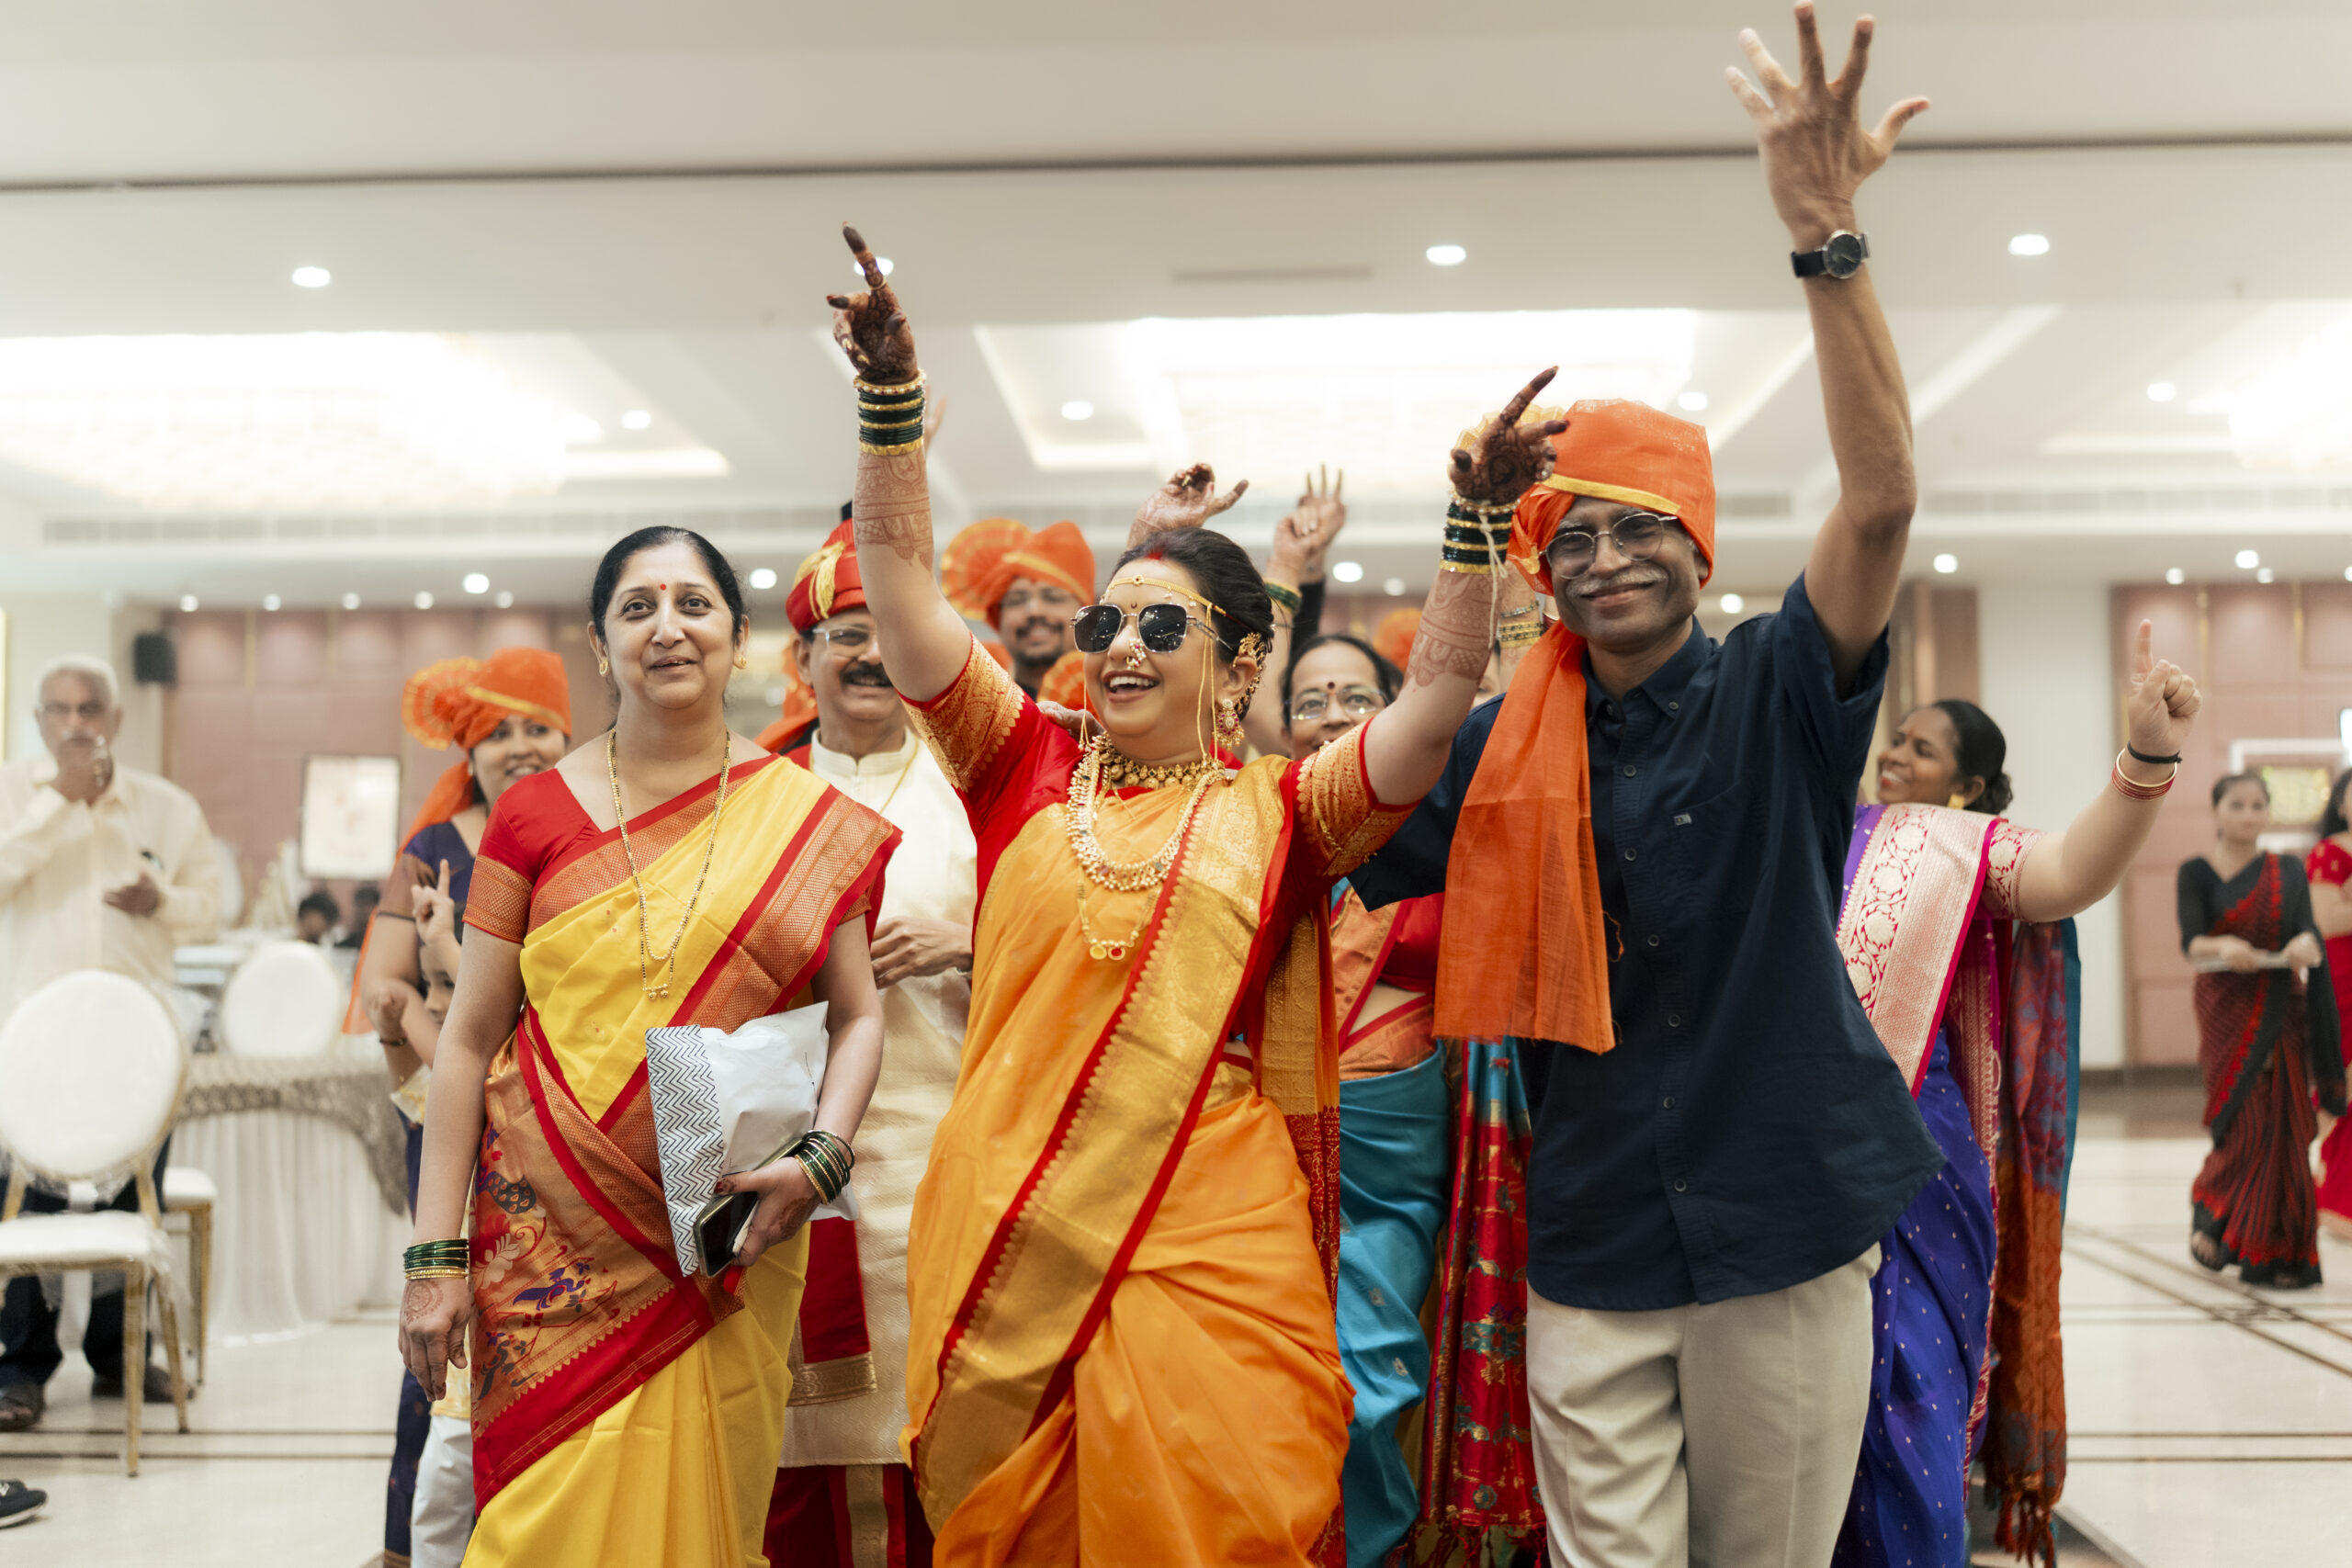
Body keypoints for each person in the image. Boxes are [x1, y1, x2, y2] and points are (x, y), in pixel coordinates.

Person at [828, 220, 1547, 1562]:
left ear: (1239, 661)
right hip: (1010, 1206)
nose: (1121, 645)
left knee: (1233, 1493)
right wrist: (888, 408)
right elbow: (904, 590)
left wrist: (1475, 529)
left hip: (1216, 1217)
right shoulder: (1021, 763)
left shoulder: (1284, 810)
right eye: (1106, 622)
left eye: (1163, 625)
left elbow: (1436, 701)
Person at [1352, 13, 1959, 1562]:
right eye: (1572, 538)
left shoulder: (1777, 686)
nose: (1606, 556)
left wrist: (1825, 236)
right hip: (1597, 1230)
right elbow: (1345, 803)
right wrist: (1459, 538)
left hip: (1786, 1212)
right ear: (1541, 575)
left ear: (1698, 547)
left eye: (1637, 527)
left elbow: (1882, 499)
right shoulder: (1498, 747)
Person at [395, 525, 897, 1568]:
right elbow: (467, 1042)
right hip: (550, 1243)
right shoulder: (530, 816)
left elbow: (859, 1013)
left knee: (708, 1510)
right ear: (599, 644)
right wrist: (433, 1257)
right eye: (637, 608)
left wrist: (822, 1159)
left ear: (740, 637)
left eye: (693, 604)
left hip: (728, 1234)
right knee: (539, 1526)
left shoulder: (807, 818)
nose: (667, 628)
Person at [1838, 681, 2199, 1568]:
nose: (1896, 755)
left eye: (1922, 748)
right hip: (1791, 1166)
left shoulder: (1962, 845)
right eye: (1897, 738)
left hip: (1919, 1159)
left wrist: (2147, 756)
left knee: (1911, 1398)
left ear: (1967, 788)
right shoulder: (1818, 825)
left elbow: (2074, 870)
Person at [763, 519, 978, 1567]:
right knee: (801, 1447)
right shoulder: (756, 793)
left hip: (950, 1159)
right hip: (792, 1167)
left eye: (886, 629)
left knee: (947, 1428)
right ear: (801, 659)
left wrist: (969, 941)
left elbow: (1071, 943)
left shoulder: (975, 785)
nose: (868, 653)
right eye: (844, 632)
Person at [355, 644, 571, 1568]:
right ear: (468, 753)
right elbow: (385, 989)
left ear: (568, 736)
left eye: (539, 728)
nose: (521, 746)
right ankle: (415, 1545)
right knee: (442, 1313)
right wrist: (441, 1028)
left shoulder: (582, 833)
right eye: (499, 732)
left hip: (559, 1111)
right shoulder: (431, 853)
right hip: (448, 1113)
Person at [1280, 631, 1472, 1567]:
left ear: (1395, 709)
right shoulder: (1258, 827)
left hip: (1397, 1144)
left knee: (1371, 1379)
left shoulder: (1443, 819)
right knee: (1273, 1375)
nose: (1329, 716)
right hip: (1268, 1141)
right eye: (1309, 699)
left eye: (1354, 697)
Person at [0, 653, 220, 1434]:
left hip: (135, 1049)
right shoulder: (13, 794)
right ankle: (20, 1365)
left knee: (135, 1195)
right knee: (28, 1200)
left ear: (115, 719)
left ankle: (120, 1355)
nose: (75, 723)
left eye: (89, 707)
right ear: (37, 721)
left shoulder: (165, 807)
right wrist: (57, 800)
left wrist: (162, 899)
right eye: (58, 709)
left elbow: (211, 905)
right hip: (35, 1045)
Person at [2178, 773, 2345, 1289]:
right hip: (2225, 1007)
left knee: (2289, 1124)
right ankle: (2213, 1213)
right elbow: (2192, 942)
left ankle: (2284, 1253)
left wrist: (2303, 946)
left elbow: (2307, 933)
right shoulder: (2196, 872)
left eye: (2257, 805)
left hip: (2281, 1005)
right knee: (2244, 1123)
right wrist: (2222, 946)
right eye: (2237, 804)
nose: (2249, 814)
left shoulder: (2287, 871)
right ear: (2216, 811)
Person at [938, 516, 1096, 695]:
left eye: (1052, 597)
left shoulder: (1111, 700)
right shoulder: (971, 698)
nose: (1034, 611)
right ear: (999, 619)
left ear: (1086, 615)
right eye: (1016, 600)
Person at [2302, 770, 2352, 1238]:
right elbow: (2329, 919)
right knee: (2344, 1082)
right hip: (2345, 979)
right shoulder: (2329, 853)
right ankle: (2337, 1197)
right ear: (2340, 803)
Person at [338, 884, 381, 948]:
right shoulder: (346, 944)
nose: (363, 910)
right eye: (360, 905)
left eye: (367, 905)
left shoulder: (383, 940)